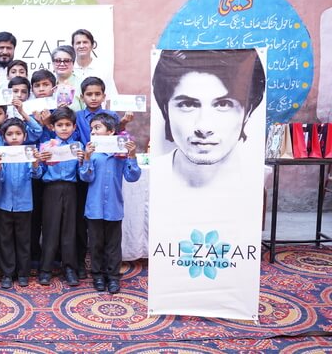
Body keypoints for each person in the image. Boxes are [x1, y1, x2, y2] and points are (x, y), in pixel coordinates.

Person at [152, 49, 265, 189]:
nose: (204, 127)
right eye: (187, 104)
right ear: (165, 110)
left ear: (247, 112)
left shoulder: (253, 182)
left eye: (223, 104)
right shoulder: (154, 176)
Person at [79, 112, 141, 294]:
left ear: (111, 131)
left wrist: (132, 155)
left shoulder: (120, 154)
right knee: (96, 244)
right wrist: (88, 158)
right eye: (92, 129)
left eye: (97, 128)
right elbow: (85, 177)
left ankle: (113, 277)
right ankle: (97, 275)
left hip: (114, 207)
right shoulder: (92, 152)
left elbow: (132, 176)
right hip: (94, 208)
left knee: (113, 245)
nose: (94, 132)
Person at [38, 107, 83, 287]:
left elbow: (83, 174)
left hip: (72, 188)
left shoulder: (78, 147)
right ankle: (46, 269)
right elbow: (38, 173)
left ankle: (70, 268)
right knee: (50, 229)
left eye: (67, 125)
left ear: (74, 127)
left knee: (69, 229)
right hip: (51, 188)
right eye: (59, 125)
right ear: (53, 127)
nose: (64, 128)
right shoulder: (47, 146)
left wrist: (83, 160)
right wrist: (40, 160)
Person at [0, 118, 43, 288]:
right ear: (3, 137)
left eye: (18, 134)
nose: (14, 137)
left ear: (25, 135)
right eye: (9, 134)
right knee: (5, 240)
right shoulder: (1, 154)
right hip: (4, 203)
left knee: (24, 240)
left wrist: (36, 163)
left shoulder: (29, 153)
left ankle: (23, 273)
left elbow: (36, 175)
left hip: (24, 204)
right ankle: (7, 273)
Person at [71, 29, 118, 98]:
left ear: (92, 45)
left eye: (85, 42)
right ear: (73, 46)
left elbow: (110, 96)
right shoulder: (68, 68)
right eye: (78, 43)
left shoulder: (103, 68)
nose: (81, 46)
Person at [51, 45, 82, 111]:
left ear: (73, 63)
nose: (62, 64)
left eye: (67, 61)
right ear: (53, 63)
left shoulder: (81, 84)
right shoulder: (48, 83)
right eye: (58, 60)